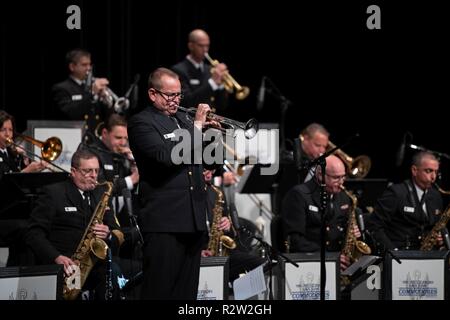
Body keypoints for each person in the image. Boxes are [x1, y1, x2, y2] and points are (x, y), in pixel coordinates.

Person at [127, 67, 213, 299]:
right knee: (160, 292)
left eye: (179, 95)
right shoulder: (141, 122)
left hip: (193, 221)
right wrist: (196, 128)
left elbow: (208, 159)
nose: (176, 100)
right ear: (153, 94)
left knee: (186, 295)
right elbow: (166, 156)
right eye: (170, 95)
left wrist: (212, 136)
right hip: (164, 222)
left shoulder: (184, 121)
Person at [25, 149, 124, 299]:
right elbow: (34, 234)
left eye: (96, 170)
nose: (93, 175)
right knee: (72, 291)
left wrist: (108, 234)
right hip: (67, 266)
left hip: (95, 265)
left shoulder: (101, 193)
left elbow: (118, 232)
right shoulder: (53, 193)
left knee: (113, 273)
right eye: (87, 171)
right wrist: (57, 257)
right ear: (73, 171)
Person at [281, 154, 360, 271]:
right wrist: (330, 258)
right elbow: (295, 241)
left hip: (339, 262)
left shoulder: (344, 197)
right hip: (310, 262)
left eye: (343, 177)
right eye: (336, 178)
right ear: (320, 175)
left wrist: (353, 234)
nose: (341, 182)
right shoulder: (299, 195)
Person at [368, 151, 444, 252]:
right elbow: (374, 225)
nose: (433, 177)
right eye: (429, 171)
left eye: (436, 172)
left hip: (427, 254)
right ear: (414, 170)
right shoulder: (396, 192)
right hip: (400, 254)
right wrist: (393, 252)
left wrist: (440, 238)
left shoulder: (435, 195)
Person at [0, 110, 49, 266]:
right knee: (28, 230)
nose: (8, 134)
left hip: (11, 211)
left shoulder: (10, 153)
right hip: (2, 214)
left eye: (10, 129)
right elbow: (5, 186)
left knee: (37, 224)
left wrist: (32, 168)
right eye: (3, 130)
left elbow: (20, 185)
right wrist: (26, 172)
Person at [202, 169, 266, 283]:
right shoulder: (185, 194)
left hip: (220, 251)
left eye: (212, 171)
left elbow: (231, 231)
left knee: (262, 263)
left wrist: (227, 224)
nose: (210, 174)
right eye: (205, 170)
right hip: (198, 253)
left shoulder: (216, 192)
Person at [51, 49, 112, 135]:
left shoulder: (91, 86)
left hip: (96, 137)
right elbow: (70, 113)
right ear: (72, 67)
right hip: (74, 136)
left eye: (89, 64)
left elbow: (106, 117)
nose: (89, 68)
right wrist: (92, 93)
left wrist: (104, 100)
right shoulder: (61, 88)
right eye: (84, 65)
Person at [275, 123, 330, 216]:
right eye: (317, 145)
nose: (322, 151)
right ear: (305, 139)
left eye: (324, 146)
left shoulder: (318, 162)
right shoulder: (290, 162)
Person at [171, 29, 228, 112]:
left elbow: (222, 105)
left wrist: (221, 84)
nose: (205, 50)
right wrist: (213, 83)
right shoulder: (178, 70)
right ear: (191, 46)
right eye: (201, 46)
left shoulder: (210, 69)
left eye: (207, 46)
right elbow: (186, 101)